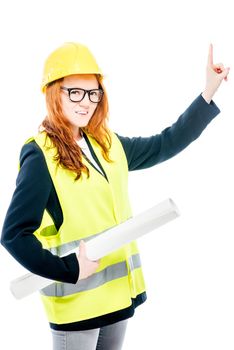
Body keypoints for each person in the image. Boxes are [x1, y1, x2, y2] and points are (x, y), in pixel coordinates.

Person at [0, 42, 230, 350]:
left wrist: (208, 93)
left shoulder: (107, 144)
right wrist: (68, 269)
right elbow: (14, 235)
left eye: (93, 93)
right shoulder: (41, 155)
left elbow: (165, 143)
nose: (86, 102)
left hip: (116, 299)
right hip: (77, 304)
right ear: (54, 93)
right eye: (75, 92)